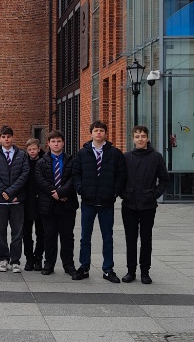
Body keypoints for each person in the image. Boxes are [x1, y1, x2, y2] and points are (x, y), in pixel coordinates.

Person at [72, 119, 126, 282]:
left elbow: (121, 174)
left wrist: (114, 192)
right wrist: (81, 189)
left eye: (101, 130)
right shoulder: (83, 153)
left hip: (106, 202)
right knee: (85, 237)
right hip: (88, 202)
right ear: (91, 133)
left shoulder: (114, 153)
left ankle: (108, 269)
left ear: (105, 133)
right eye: (96, 130)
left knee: (107, 237)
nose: (98, 133)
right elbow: (76, 173)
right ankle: (84, 267)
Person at [121, 124, 169, 284]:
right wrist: (123, 194)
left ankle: (145, 272)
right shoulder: (126, 157)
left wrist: (153, 195)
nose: (140, 139)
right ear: (133, 139)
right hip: (129, 205)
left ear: (147, 138)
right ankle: (130, 271)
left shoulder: (156, 157)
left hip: (148, 205)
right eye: (137, 136)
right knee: (130, 239)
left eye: (143, 136)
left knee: (146, 239)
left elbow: (164, 180)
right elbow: (119, 179)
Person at [35, 129, 78, 276]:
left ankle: (68, 264)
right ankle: (49, 264)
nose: (56, 144)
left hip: (67, 204)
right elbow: (40, 180)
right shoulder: (41, 162)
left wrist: (61, 193)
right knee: (49, 235)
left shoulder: (71, 160)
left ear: (63, 143)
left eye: (59, 141)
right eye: (53, 141)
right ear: (48, 143)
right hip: (48, 205)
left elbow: (73, 179)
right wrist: (55, 193)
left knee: (67, 236)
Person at [0, 125, 30, 273]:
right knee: (1, 233)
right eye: (3, 137)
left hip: (16, 201)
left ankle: (15, 261)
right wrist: (3, 191)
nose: (6, 139)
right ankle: (3, 259)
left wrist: (11, 192)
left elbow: (25, 174)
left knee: (17, 233)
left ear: (12, 138)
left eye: (8, 137)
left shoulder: (22, 155)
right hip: (1, 200)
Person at [22, 137, 45, 271]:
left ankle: (38, 257)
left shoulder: (44, 161)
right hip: (27, 201)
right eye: (30, 149)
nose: (32, 151)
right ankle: (29, 258)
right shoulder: (24, 162)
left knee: (41, 233)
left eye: (34, 149)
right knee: (26, 233)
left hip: (41, 201)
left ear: (39, 149)